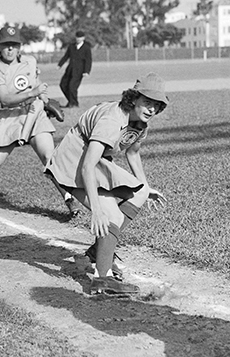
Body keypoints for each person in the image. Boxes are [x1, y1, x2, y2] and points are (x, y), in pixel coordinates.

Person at [44, 73, 168, 295]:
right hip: (73, 159)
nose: (151, 109)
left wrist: (146, 187)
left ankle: (98, 250)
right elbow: (87, 166)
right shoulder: (112, 120)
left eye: (156, 105)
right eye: (147, 102)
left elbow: (133, 152)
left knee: (139, 194)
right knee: (111, 216)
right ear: (134, 99)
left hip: (96, 160)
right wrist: (97, 210)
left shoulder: (140, 122)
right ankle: (103, 279)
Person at [0, 26, 81, 223]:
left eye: (14, 45)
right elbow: (5, 99)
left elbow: (38, 86)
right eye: (6, 45)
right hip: (10, 118)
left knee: (50, 158)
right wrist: (32, 93)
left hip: (35, 115)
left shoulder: (30, 61)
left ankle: (69, 199)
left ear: (19, 47)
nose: (10, 49)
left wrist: (45, 101)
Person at [57, 30, 92, 108]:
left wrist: (86, 71)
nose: (78, 39)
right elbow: (66, 56)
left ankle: (74, 103)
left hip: (79, 71)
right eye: (77, 37)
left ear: (83, 38)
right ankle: (71, 101)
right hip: (69, 70)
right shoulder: (71, 46)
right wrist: (60, 64)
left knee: (72, 87)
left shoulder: (86, 48)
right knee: (63, 85)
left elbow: (88, 60)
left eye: (80, 37)